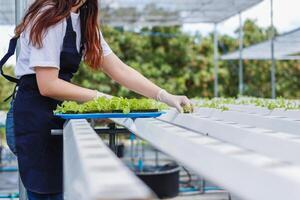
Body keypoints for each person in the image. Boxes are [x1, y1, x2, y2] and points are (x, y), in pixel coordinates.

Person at [0, 0, 193, 199]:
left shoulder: (84, 19)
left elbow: (119, 69)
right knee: (48, 191)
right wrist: (101, 97)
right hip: (35, 117)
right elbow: (48, 85)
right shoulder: (49, 15)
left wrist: (164, 95)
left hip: (56, 113)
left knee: (65, 189)